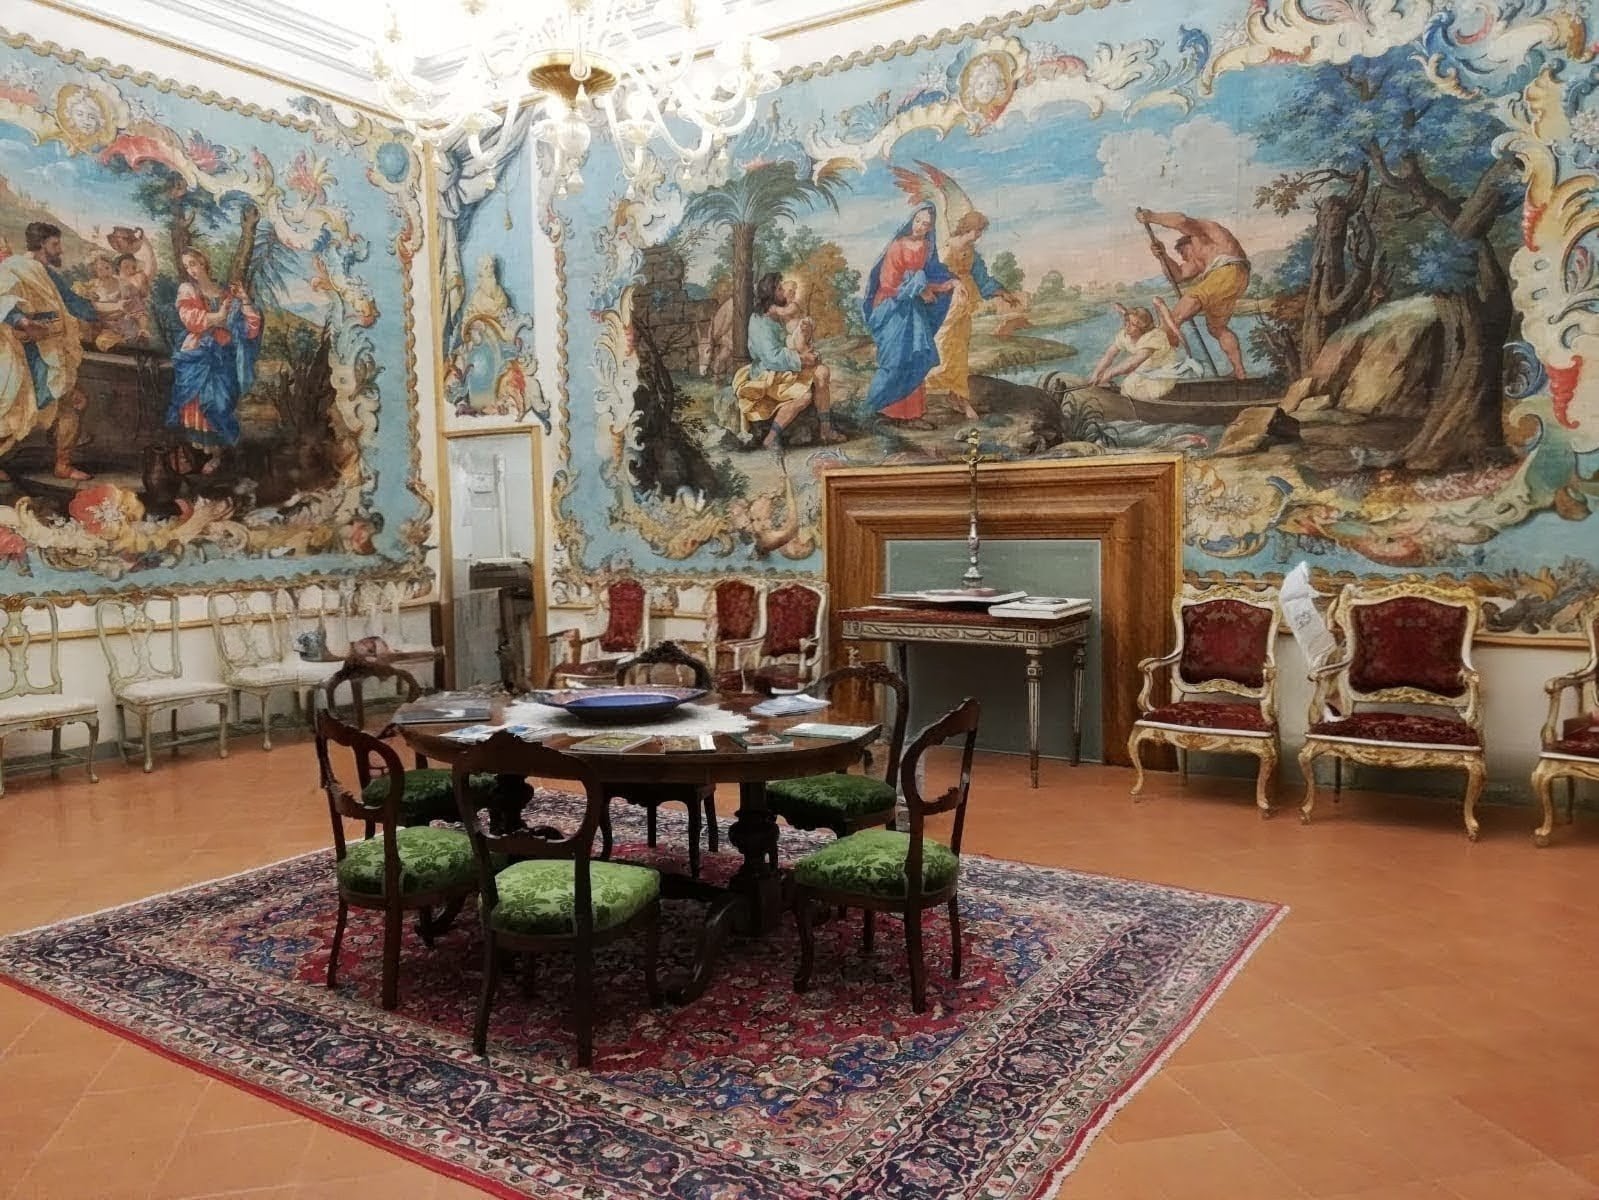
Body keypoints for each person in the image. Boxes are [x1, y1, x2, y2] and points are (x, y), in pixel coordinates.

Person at [0, 221, 100, 482]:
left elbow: (74, 303)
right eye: (55, 244)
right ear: (42, 244)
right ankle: (60, 465)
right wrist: (24, 322)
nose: (60, 250)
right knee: (15, 409)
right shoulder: (14, 266)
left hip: (51, 350)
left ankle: (63, 465)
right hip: (27, 354)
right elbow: (3, 299)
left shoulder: (49, 274)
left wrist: (111, 312)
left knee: (71, 402)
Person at [164, 247, 263, 474]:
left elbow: (250, 329)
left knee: (219, 404)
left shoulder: (228, 294)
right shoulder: (188, 290)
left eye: (193, 263)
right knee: (194, 405)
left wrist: (244, 300)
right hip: (197, 354)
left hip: (223, 357)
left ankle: (219, 456)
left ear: (203, 262)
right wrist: (219, 317)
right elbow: (191, 319)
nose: (191, 270)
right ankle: (195, 455)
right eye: (186, 266)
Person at [862, 203, 957, 428]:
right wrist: (919, 286)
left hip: (913, 309)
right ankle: (878, 408)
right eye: (917, 221)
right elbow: (888, 284)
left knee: (915, 357)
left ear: (930, 227)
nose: (920, 226)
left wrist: (943, 286)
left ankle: (912, 415)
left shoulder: (927, 247)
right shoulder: (897, 246)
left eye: (926, 224)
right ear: (911, 220)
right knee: (895, 360)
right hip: (892, 307)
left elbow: (926, 279)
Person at [730, 273, 844, 449]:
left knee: (822, 372)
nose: (785, 292)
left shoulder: (779, 315)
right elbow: (771, 358)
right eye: (780, 289)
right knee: (804, 396)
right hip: (769, 373)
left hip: (787, 368)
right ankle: (771, 437)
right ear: (770, 293)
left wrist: (805, 341)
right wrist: (802, 359)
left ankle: (825, 430)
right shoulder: (761, 321)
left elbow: (794, 340)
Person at [1136, 207, 1251, 380]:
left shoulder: (1203, 233)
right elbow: (1178, 276)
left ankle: (1157, 366)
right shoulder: (1203, 259)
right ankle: (1240, 372)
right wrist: (1163, 256)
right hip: (1234, 279)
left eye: (1183, 253)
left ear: (1188, 242)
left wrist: (1151, 217)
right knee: (1217, 328)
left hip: (1227, 272)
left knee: (1174, 317)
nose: (1183, 259)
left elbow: (1181, 221)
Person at [923, 211, 1015, 420]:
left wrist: (1003, 293)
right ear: (968, 227)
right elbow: (931, 276)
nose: (979, 235)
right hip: (944, 306)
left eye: (981, 231)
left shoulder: (972, 254)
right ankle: (919, 391)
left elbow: (982, 279)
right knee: (942, 346)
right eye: (978, 230)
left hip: (964, 307)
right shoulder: (945, 249)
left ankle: (958, 397)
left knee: (960, 351)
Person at [1088, 301, 1201, 400]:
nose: (1127, 326)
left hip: (1161, 373)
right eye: (1127, 322)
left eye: (1133, 324)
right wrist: (1096, 373)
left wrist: (1110, 373)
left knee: (1130, 387)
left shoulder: (1154, 336)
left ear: (1143, 327)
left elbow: (1133, 363)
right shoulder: (1124, 335)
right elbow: (1109, 355)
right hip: (1145, 369)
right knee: (1128, 386)